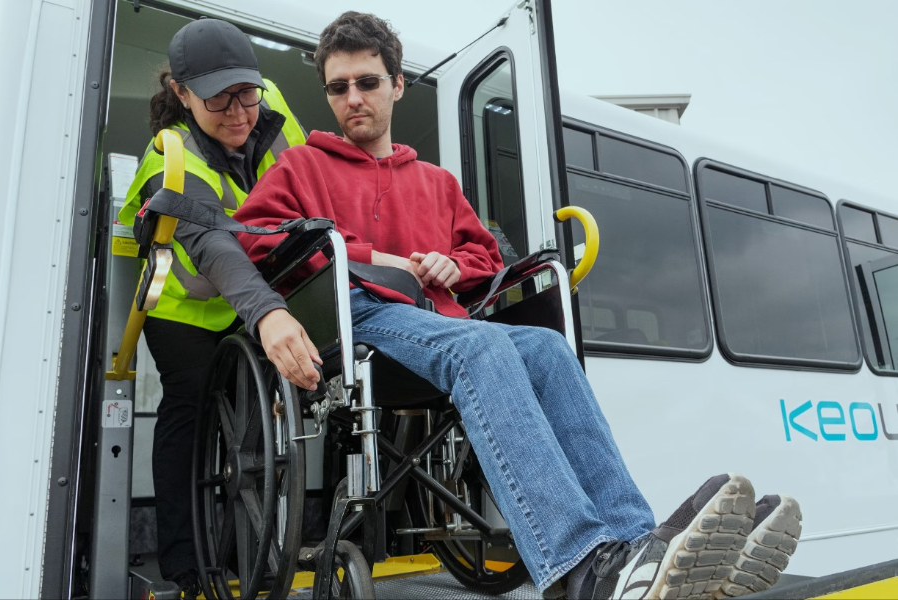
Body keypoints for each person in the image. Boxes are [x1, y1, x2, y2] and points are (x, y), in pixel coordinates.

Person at [234, 12, 803, 600]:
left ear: (397, 84)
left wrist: (454, 266)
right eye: (338, 86)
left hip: (435, 323)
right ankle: (581, 569)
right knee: (482, 346)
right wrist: (375, 255)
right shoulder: (302, 166)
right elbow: (255, 237)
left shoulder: (435, 182)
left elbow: (481, 253)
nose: (353, 97)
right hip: (361, 321)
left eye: (368, 82)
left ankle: (635, 548)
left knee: (546, 348)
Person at [118, 18, 324, 597]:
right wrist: (268, 313)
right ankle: (186, 565)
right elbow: (214, 247)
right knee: (189, 411)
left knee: (253, 421)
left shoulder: (269, 104)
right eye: (217, 99)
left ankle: (241, 556)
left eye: (246, 92)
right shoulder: (171, 158)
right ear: (182, 94)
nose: (239, 111)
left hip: (246, 296)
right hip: (181, 304)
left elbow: (311, 187)